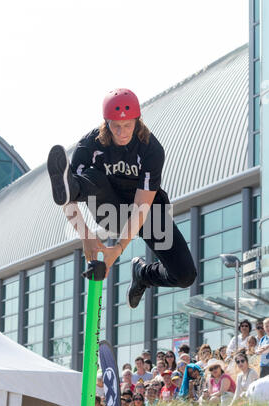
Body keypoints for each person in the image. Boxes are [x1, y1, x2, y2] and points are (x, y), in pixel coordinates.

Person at [47, 88, 197, 308]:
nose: (121, 132)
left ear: (137, 120)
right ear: (106, 122)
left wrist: (118, 248)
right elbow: (64, 200)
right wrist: (85, 235)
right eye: (115, 125)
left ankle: (143, 274)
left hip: (146, 213)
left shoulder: (151, 149)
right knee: (90, 178)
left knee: (185, 275)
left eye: (127, 125)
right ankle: (75, 184)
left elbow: (141, 206)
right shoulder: (90, 145)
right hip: (109, 209)